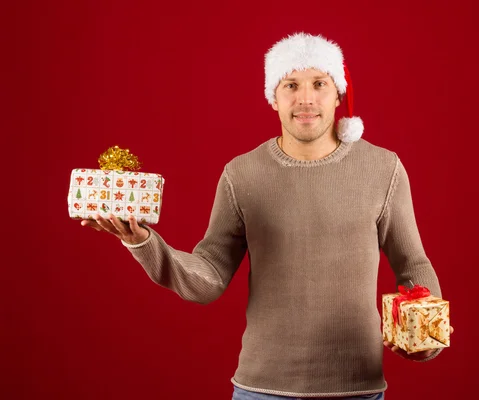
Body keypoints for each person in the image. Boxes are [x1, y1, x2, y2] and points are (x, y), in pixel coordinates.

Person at [82, 32, 454, 399]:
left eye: (318, 83)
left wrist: (428, 337)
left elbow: (413, 263)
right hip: (261, 390)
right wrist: (144, 243)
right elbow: (208, 276)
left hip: (359, 388)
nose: (305, 98)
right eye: (290, 84)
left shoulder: (383, 169)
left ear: (338, 94)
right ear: (273, 98)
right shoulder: (241, 175)